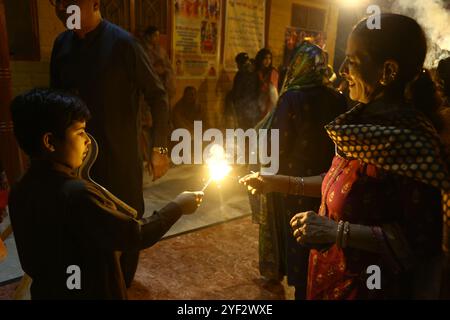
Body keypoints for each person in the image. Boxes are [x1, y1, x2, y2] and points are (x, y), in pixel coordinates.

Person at [241, 14, 449, 299]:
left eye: (352, 61)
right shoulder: (361, 125)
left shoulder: (411, 142)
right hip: (331, 279)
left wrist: (336, 231)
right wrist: (276, 182)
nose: (341, 70)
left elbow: (418, 242)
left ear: (387, 71)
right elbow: (342, 182)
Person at [8, 89, 203, 299]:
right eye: (80, 132)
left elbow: (32, 260)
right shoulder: (78, 195)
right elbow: (136, 234)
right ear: (49, 142)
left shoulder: (20, 189)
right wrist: (179, 205)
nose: (87, 141)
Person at [49, 0, 170, 287]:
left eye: (72, 4)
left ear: (94, 3)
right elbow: (53, 103)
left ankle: (120, 286)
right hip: (75, 163)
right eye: (60, 5)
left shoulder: (123, 44)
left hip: (120, 159)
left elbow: (158, 96)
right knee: (82, 228)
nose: (65, 11)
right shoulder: (61, 45)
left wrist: (160, 148)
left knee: (125, 229)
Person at [253, 42, 347, 299]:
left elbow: (275, 143)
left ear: (298, 65)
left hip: (292, 184)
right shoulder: (338, 98)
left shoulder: (292, 97)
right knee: (320, 239)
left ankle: (299, 286)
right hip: (328, 183)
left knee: (297, 237)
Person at [141, 26, 176, 100]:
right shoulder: (141, 50)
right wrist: (154, 70)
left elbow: (169, 68)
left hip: (162, 86)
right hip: (148, 87)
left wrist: (164, 71)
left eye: (158, 36)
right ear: (148, 37)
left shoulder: (161, 51)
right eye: (155, 36)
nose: (157, 38)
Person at [228, 52, 259, 129]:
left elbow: (238, 92)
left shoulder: (241, 74)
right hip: (252, 106)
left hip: (244, 107)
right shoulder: (254, 72)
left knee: (243, 128)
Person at [255, 48, 279, 120]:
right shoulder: (257, 72)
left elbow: (273, 92)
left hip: (268, 105)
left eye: (269, 58)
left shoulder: (273, 72)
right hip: (257, 105)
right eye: (265, 58)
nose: (268, 61)